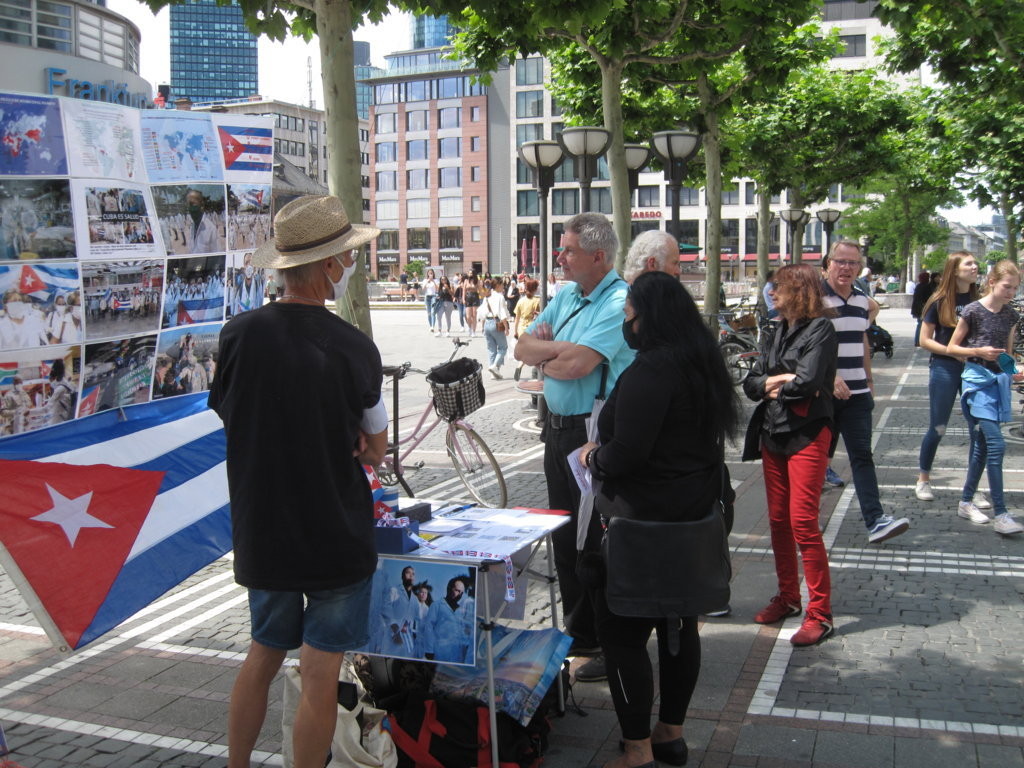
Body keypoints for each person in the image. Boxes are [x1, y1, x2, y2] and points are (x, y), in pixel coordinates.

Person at [207, 195, 389, 768]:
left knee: (262, 651)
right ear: (331, 265)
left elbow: (229, 411)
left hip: (266, 526)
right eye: (349, 257)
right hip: (335, 527)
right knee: (320, 672)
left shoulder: (238, 335)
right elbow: (377, 448)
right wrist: (352, 441)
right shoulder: (355, 347)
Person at [574, 271, 739, 768]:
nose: (628, 325)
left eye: (629, 317)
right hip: (692, 521)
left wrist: (591, 459)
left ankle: (637, 749)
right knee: (678, 624)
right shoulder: (703, 365)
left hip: (640, 526)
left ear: (649, 320)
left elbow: (628, 452)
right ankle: (671, 734)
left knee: (622, 636)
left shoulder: (652, 370)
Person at [513, 212, 634, 684]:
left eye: (567, 251)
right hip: (556, 429)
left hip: (592, 432)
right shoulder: (566, 295)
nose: (559, 258)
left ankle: (604, 638)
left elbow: (579, 364)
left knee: (594, 539)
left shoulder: (619, 299)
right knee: (564, 535)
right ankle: (579, 633)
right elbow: (522, 348)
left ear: (598, 256)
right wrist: (553, 353)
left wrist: (553, 352)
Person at [743, 264, 838, 647]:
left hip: (807, 433)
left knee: (803, 523)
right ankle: (787, 597)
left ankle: (821, 612)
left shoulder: (822, 329)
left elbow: (810, 383)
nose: (771, 294)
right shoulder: (775, 329)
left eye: (777, 288)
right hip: (772, 433)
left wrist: (780, 383)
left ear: (797, 290)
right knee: (779, 521)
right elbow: (751, 382)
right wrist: (777, 381)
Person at [822, 241, 910, 544]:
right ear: (829, 263)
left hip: (857, 393)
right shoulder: (813, 298)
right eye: (840, 261)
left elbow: (862, 342)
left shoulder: (861, 301)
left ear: (860, 267)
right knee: (816, 461)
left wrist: (869, 380)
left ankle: (875, 520)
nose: (846, 268)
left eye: (852, 263)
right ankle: (803, 524)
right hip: (823, 395)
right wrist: (830, 376)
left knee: (862, 457)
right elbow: (804, 347)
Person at [946, 260, 1024, 535]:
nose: (1011, 293)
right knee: (996, 445)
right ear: (992, 281)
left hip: (997, 386)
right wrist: (979, 352)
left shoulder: (1011, 316)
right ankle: (1001, 513)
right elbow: (953, 347)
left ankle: (966, 501)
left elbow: (1008, 358)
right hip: (976, 384)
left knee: (980, 449)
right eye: (1007, 287)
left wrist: (1015, 371)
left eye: (1015, 288)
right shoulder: (973, 310)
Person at [914, 252, 984, 504]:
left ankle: (973, 487)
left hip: (974, 370)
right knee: (938, 426)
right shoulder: (940, 299)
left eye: (975, 263)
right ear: (954, 270)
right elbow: (923, 340)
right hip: (945, 368)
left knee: (978, 429)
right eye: (969, 263)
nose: (975, 266)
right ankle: (923, 479)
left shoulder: (980, 299)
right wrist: (954, 352)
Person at [422, 577, 476, 664]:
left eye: (461, 592)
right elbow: (428, 628)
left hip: (457, 655)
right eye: (457, 590)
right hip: (439, 654)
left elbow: (464, 632)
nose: (460, 595)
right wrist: (429, 650)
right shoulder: (436, 605)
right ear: (449, 588)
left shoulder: (461, 610)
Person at [375, 565, 419, 656]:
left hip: (407, 640)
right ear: (402, 576)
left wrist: (414, 633)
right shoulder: (394, 590)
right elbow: (386, 609)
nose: (411, 575)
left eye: (413, 574)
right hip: (393, 636)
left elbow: (416, 619)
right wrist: (395, 630)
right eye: (408, 573)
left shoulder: (415, 599)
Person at [482, 275, 511, 379]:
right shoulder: (500, 297)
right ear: (498, 285)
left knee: (491, 349)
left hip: (487, 323)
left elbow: (482, 312)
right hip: (496, 323)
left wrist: (482, 327)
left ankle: (493, 373)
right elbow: (502, 314)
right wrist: (506, 327)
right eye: (502, 284)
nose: (503, 286)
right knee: (503, 347)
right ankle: (495, 366)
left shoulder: (487, 296)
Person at [513, 279, 541, 381]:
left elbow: (517, 318)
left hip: (521, 327)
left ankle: (520, 364)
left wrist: (515, 331)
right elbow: (541, 315)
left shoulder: (520, 301)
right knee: (532, 351)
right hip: (532, 327)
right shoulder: (537, 301)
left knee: (526, 350)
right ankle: (523, 365)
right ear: (534, 289)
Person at [184, 188, 221, 254]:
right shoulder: (192, 227)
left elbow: (216, 254)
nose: (190, 208)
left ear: (201, 205)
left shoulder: (210, 229)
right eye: (188, 205)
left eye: (192, 204)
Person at [910, 270, 936, 347]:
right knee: (921, 325)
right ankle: (919, 341)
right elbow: (928, 298)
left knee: (919, 324)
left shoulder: (918, 286)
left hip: (917, 308)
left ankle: (917, 340)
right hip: (922, 308)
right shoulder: (926, 286)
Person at [45, 359, 74, 426]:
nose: (50, 382)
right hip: (62, 415)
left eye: (51, 379)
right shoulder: (65, 384)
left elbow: (46, 409)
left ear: (55, 377)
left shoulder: (60, 389)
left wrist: (30, 413)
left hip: (61, 418)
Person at [423, 269, 438, 333]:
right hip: (427, 297)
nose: (430, 274)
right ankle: (430, 326)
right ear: (427, 274)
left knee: (433, 312)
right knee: (429, 313)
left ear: (433, 274)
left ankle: (432, 326)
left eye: (431, 273)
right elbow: (423, 289)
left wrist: (433, 281)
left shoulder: (436, 280)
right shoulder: (425, 280)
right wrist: (427, 281)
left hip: (433, 296)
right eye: (429, 273)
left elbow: (437, 288)